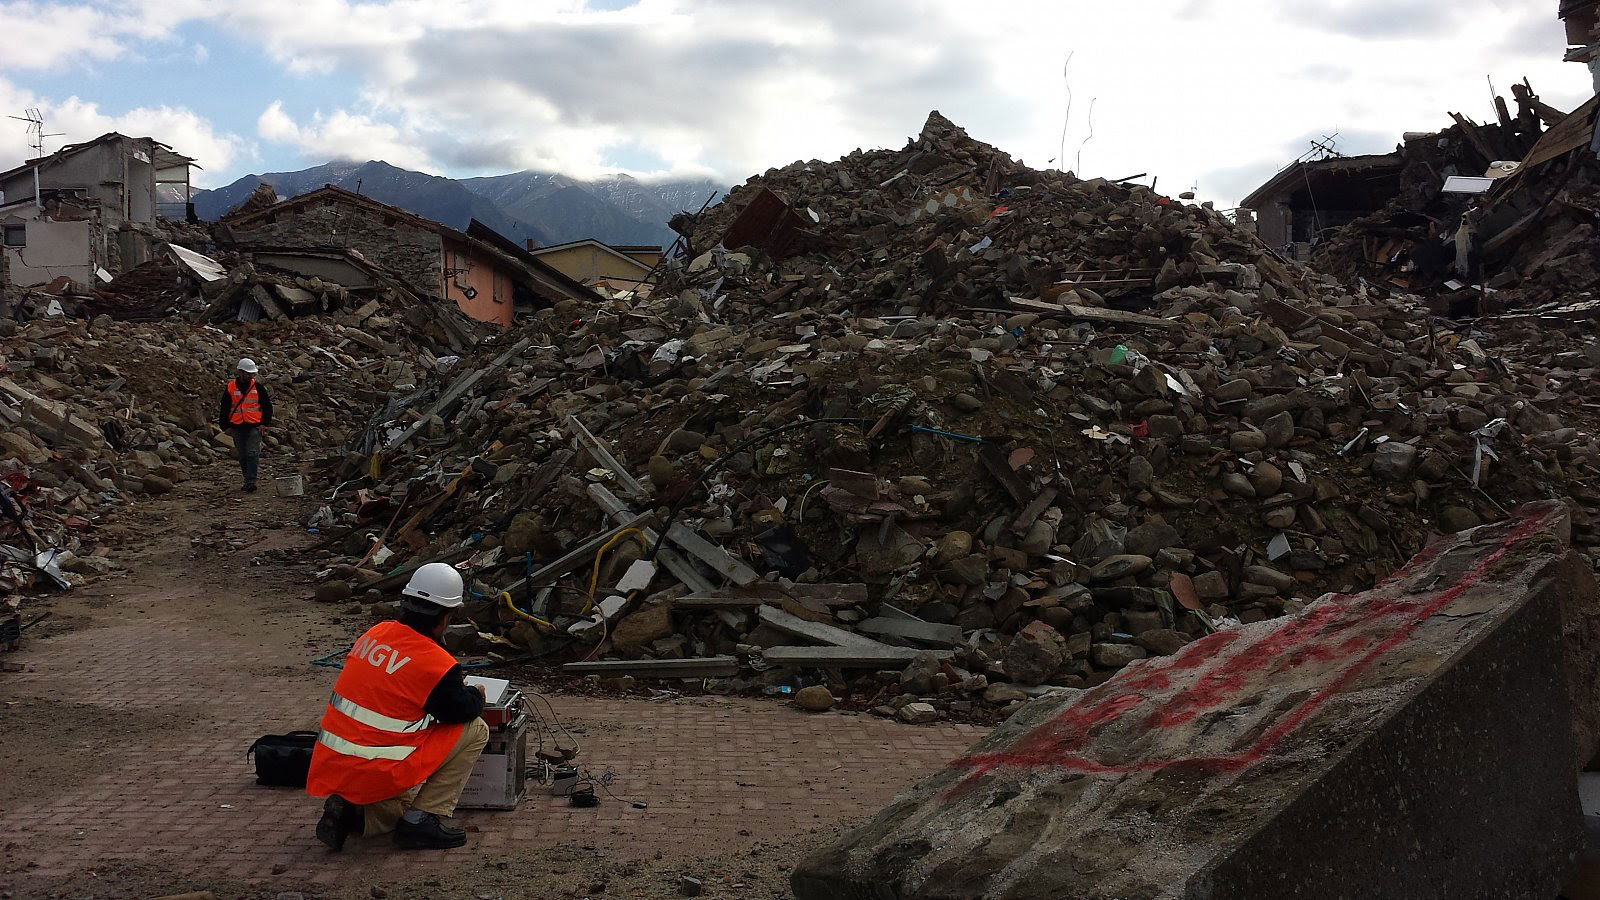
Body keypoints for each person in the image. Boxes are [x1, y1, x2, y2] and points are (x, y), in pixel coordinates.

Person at [308, 563, 489, 851]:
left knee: (400, 804)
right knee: (476, 729)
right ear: (444, 618)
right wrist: (477, 695)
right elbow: (459, 711)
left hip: (333, 767)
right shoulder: (434, 663)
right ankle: (420, 822)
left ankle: (357, 815)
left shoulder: (375, 634)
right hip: (381, 767)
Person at [217, 358, 273, 492]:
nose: (251, 376)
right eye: (248, 373)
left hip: (254, 426)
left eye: (252, 374)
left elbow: (267, 407)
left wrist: (264, 424)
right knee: (242, 455)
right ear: (240, 372)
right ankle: (247, 479)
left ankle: (251, 481)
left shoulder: (258, 388)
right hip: (237, 427)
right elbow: (224, 408)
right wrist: (225, 427)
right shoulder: (230, 388)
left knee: (252, 453)